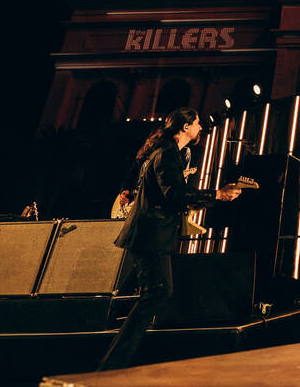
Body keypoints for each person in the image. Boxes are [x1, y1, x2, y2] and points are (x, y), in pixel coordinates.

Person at [99, 108, 240, 370]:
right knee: (157, 293)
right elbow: (172, 194)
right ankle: (113, 363)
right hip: (149, 234)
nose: (200, 128)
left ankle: (118, 360)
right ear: (185, 127)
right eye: (197, 124)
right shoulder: (166, 154)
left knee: (158, 293)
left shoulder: (170, 152)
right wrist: (216, 195)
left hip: (152, 234)